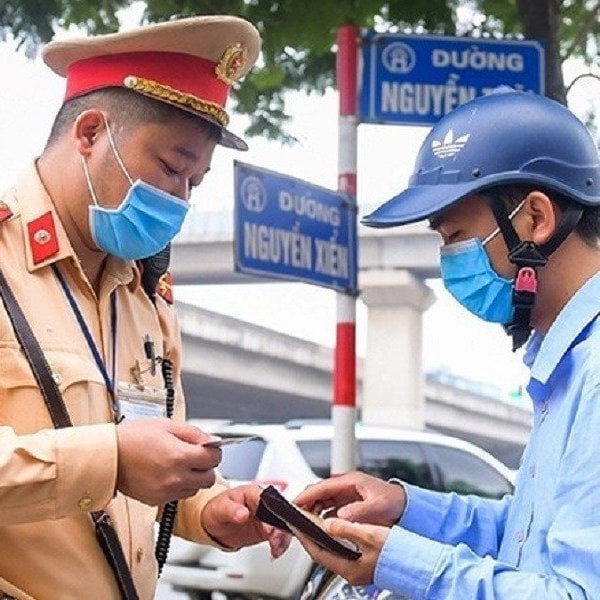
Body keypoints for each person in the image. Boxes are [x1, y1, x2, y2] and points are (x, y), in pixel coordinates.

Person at [0, 15, 287, 600]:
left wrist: (211, 510)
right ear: (89, 133)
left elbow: (149, 470)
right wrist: (109, 459)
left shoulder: (146, 294)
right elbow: (116, 462)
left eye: (195, 183)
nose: (178, 199)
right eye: (170, 168)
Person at [292, 88, 600, 598]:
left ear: (536, 219)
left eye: (454, 236)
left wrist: (399, 564)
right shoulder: (566, 366)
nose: (449, 261)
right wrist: (405, 506)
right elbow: (526, 535)